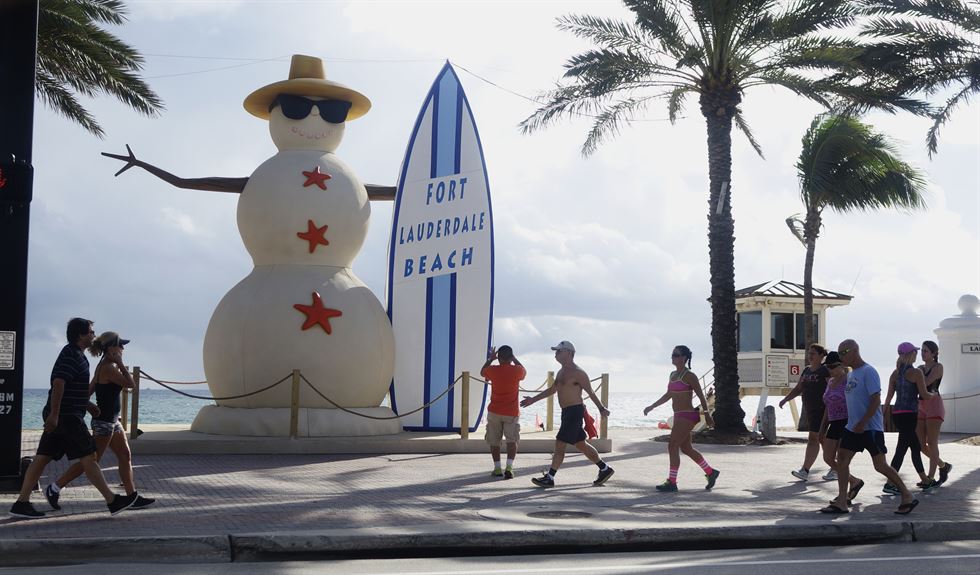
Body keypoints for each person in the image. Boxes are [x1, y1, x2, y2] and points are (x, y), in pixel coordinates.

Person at [9, 318, 138, 519]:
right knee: (89, 457)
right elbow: (59, 383)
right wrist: (55, 414)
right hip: (67, 416)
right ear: (80, 335)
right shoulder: (71, 355)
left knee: (42, 457)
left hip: (66, 413)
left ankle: (21, 503)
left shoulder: (77, 355)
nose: (93, 335)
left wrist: (86, 405)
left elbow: (71, 387)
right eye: (90, 332)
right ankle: (112, 500)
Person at [44, 332, 155, 510]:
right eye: (120, 345)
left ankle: (132, 496)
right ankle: (54, 487)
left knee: (125, 455)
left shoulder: (103, 366)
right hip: (104, 423)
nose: (123, 348)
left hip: (112, 421)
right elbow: (131, 384)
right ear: (111, 348)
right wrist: (120, 363)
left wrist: (86, 404)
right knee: (91, 462)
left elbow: (89, 389)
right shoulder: (109, 367)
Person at [821, 339, 918, 514]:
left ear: (855, 351)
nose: (841, 357)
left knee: (880, 465)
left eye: (844, 353)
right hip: (852, 427)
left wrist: (863, 422)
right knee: (842, 459)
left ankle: (907, 495)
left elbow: (876, 400)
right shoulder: (851, 374)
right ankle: (842, 501)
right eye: (840, 353)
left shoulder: (869, 371)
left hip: (870, 427)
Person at [521, 341, 613, 487]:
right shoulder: (561, 372)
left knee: (560, 444)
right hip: (567, 413)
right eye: (555, 351)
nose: (555, 354)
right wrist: (533, 400)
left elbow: (591, 392)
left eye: (559, 351)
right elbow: (552, 390)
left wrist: (601, 409)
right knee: (581, 445)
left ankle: (550, 477)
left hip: (575, 412)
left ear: (569, 353)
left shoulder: (579, 373)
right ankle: (604, 469)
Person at [642, 345, 720, 492]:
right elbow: (668, 395)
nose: (673, 357)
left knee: (672, 445)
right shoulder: (672, 375)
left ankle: (672, 481)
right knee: (686, 448)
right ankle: (710, 472)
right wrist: (652, 406)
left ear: (684, 358)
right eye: (672, 355)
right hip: (678, 416)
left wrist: (707, 414)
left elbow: (702, 395)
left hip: (688, 415)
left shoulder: (690, 375)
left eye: (676, 355)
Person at [882, 342, 935, 494]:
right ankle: (890, 483)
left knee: (915, 447)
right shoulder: (916, 373)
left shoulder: (895, 373)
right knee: (901, 449)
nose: (917, 355)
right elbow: (924, 395)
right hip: (910, 414)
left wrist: (883, 415)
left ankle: (925, 479)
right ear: (910, 354)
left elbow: (888, 397)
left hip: (897, 414)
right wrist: (934, 395)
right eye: (915, 352)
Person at [778, 344, 830, 481]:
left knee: (815, 438)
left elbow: (832, 388)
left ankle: (805, 470)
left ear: (821, 356)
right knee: (821, 439)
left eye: (813, 353)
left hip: (822, 410)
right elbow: (798, 388)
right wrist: (785, 399)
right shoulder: (806, 370)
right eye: (809, 353)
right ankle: (835, 467)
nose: (810, 356)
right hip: (810, 411)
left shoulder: (825, 371)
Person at [819, 352, 863, 499]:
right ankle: (854, 481)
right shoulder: (830, 382)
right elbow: (828, 406)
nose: (830, 370)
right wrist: (822, 428)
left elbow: (858, 401)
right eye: (828, 367)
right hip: (833, 422)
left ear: (842, 365)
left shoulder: (849, 380)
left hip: (847, 422)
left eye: (833, 366)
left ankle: (842, 495)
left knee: (843, 459)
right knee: (828, 458)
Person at [480, 345, 526, 479]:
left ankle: (497, 468)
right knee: (512, 440)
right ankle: (510, 467)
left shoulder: (493, 370)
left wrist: (490, 359)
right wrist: (515, 359)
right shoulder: (517, 371)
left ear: (498, 358)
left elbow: (482, 372)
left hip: (494, 411)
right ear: (511, 358)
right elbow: (524, 371)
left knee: (494, 440)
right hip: (511, 412)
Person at [917, 340, 952, 486]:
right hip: (920, 404)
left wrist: (916, 377)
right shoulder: (919, 368)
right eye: (922, 350)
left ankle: (930, 478)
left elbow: (925, 383)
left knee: (932, 443)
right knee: (920, 444)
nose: (922, 353)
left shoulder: (938, 367)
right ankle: (943, 466)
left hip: (934, 403)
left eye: (926, 351)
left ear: (934, 353)